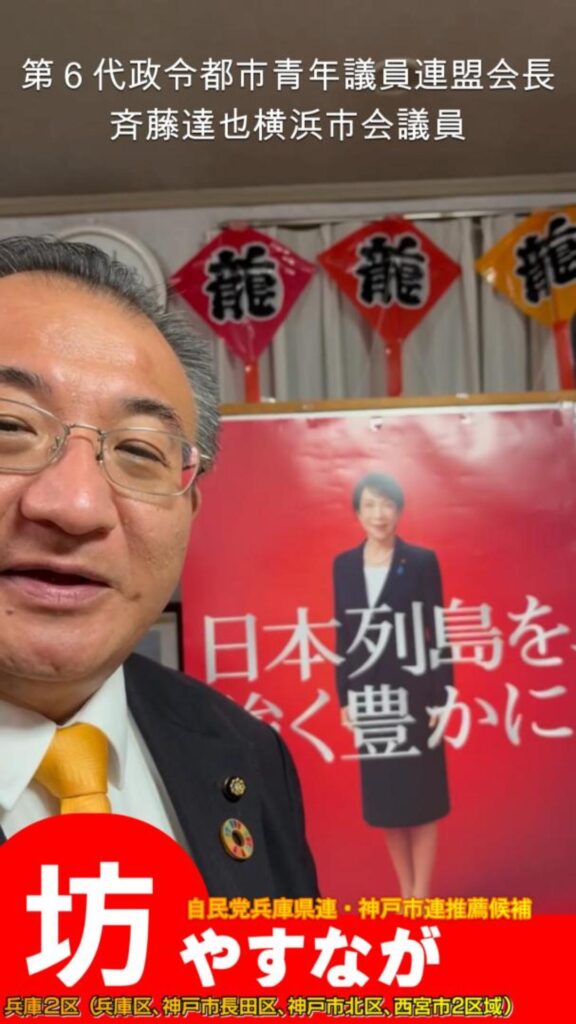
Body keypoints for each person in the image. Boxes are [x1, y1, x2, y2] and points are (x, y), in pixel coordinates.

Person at [0, 235, 318, 898]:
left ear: (190, 507)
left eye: (140, 451)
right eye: (10, 428)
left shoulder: (244, 750)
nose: (76, 507)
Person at [333, 472, 451, 898]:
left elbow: (438, 632)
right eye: (370, 505)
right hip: (371, 697)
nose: (379, 514)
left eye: (387, 505)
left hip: (417, 695)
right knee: (387, 802)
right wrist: (345, 697)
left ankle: (421, 896)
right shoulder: (344, 566)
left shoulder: (420, 562)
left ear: (399, 511)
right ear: (358, 513)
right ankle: (406, 892)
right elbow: (344, 634)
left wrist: (442, 695)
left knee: (423, 799)